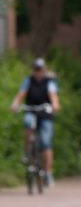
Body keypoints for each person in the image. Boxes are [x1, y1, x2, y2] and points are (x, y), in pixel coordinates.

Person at [10, 58, 60, 186]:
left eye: (40, 70)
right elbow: (21, 94)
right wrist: (15, 104)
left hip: (45, 112)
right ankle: (27, 152)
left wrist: (55, 105)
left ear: (44, 70)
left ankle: (47, 173)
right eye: (36, 70)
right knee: (27, 123)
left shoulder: (49, 82)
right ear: (32, 70)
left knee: (45, 142)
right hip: (31, 110)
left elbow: (53, 96)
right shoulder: (28, 80)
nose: (38, 72)